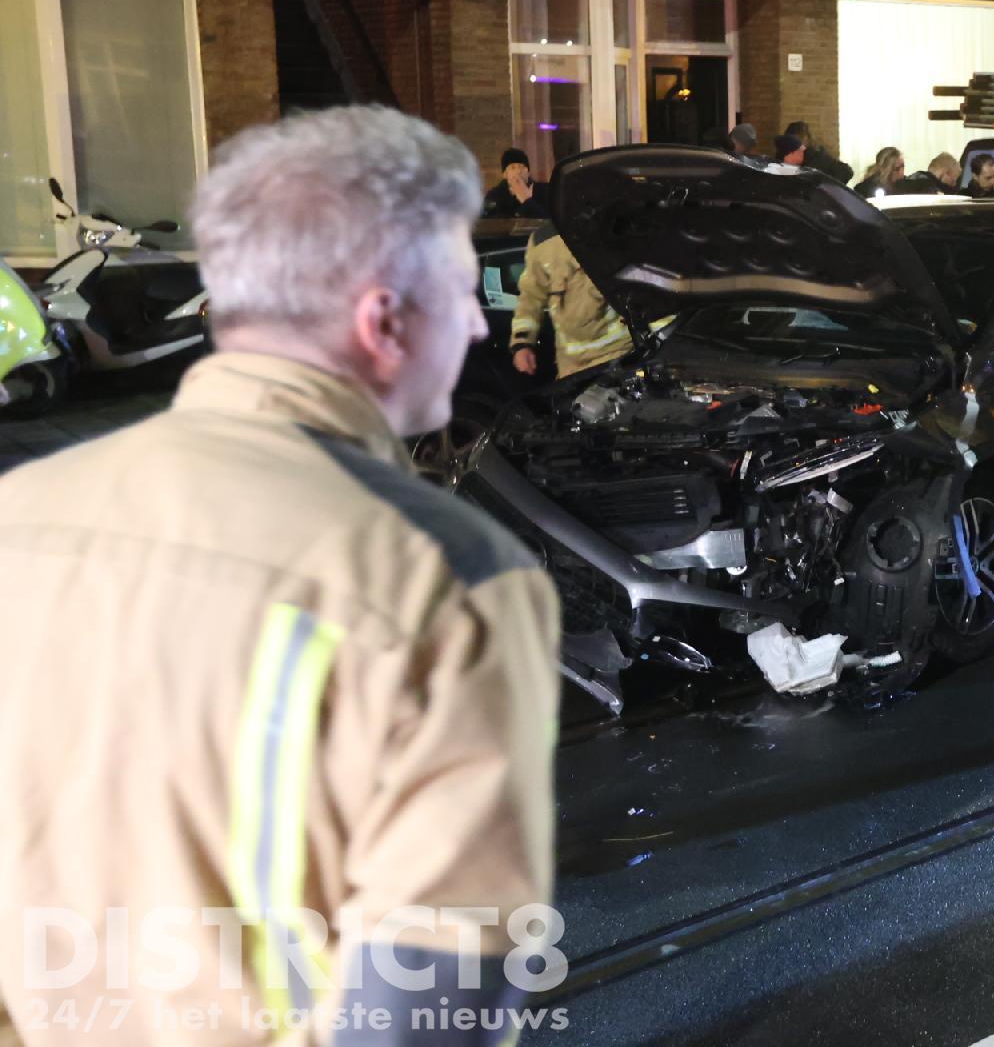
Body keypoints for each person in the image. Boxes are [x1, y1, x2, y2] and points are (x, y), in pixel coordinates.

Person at [0, 107, 561, 1042]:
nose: (475, 322)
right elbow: (429, 997)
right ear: (384, 319)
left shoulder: (23, 514)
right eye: (465, 288)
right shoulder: (446, 578)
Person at [511, 220, 634, 378]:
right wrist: (522, 344)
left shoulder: (606, 226)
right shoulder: (541, 240)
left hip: (618, 353)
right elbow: (530, 296)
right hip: (570, 365)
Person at [480, 145, 549, 219]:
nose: (518, 171)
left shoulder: (543, 190)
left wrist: (526, 201)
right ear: (505, 174)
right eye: (513, 167)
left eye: (522, 167)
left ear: (528, 172)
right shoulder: (494, 196)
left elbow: (549, 222)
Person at [783, 120, 854, 185]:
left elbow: (846, 171)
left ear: (806, 139)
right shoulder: (786, 156)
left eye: (799, 138)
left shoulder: (818, 157)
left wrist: (826, 186)